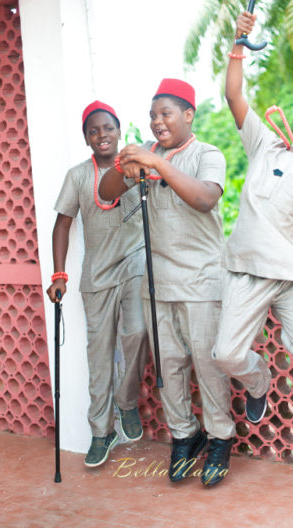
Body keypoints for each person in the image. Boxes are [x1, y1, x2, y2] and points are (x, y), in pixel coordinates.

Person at [212, 11, 293, 434]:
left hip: (289, 275)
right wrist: (238, 42)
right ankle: (259, 381)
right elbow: (234, 95)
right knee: (227, 356)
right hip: (246, 270)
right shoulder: (264, 145)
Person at [99, 79, 236, 487]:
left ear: (188, 115)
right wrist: (126, 165)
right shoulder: (145, 156)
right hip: (157, 284)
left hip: (202, 283)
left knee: (209, 368)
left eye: (167, 113)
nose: (158, 121)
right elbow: (105, 194)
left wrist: (158, 164)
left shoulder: (206, 154)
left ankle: (220, 439)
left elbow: (205, 198)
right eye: (153, 115)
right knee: (169, 368)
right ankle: (184, 435)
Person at [47, 101, 149, 468]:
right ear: (86, 137)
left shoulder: (139, 165)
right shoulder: (77, 176)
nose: (101, 135)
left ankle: (126, 403)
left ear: (119, 130)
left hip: (134, 263)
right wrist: (59, 274)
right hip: (97, 275)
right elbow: (62, 225)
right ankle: (101, 431)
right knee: (99, 354)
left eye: (107, 128)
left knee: (137, 332)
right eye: (93, 130)